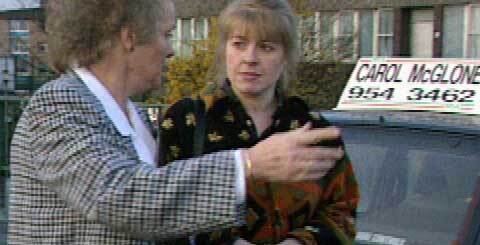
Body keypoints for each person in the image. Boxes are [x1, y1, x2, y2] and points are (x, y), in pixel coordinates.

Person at [7, 0, 345, 244]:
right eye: (166, 34)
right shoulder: (58, 105)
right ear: (129, 38)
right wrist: (249, 163)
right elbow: (118, 197)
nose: (170, 50)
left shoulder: (135, 116)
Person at [159, 0, 360, 244]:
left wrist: (299, 242)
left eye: (266, 47)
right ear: (224, 50)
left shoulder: (315, 132)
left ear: (286, 56)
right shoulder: (186, 121)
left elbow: (343, 214)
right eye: (239, 44)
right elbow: (161, 207)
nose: (250, 58)